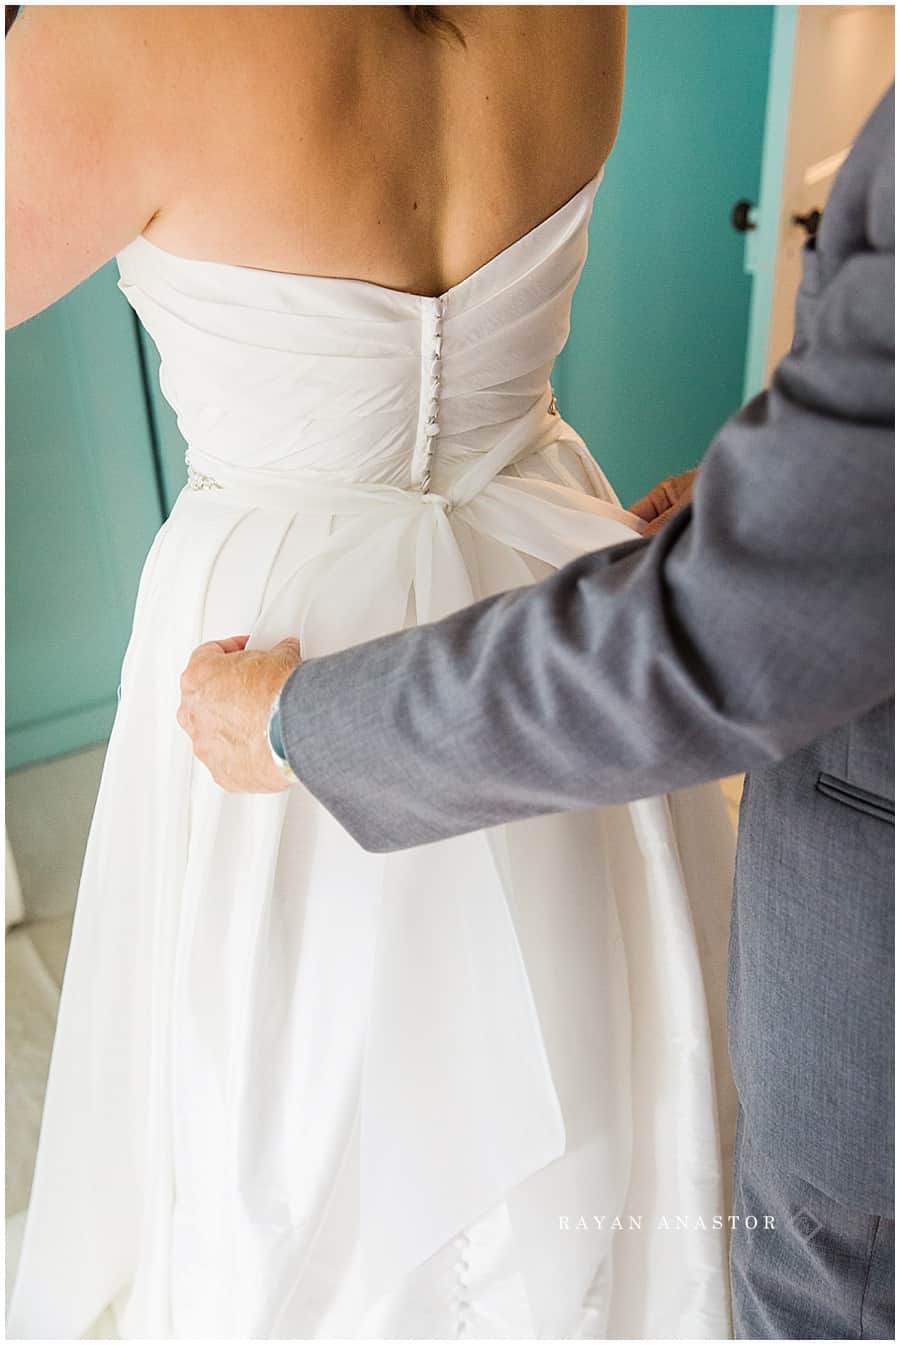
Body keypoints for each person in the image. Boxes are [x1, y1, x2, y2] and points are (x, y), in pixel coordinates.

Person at [7, 6, 742, 1338]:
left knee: (299, 1094)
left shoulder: (116, 35)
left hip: (279, 647)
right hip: (557, 606)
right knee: (601, 1038)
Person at [178, 84, 896, 1339]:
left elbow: (720, 642)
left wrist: (301, 725)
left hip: (325, 639)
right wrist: (796, 509)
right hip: (537, 549)